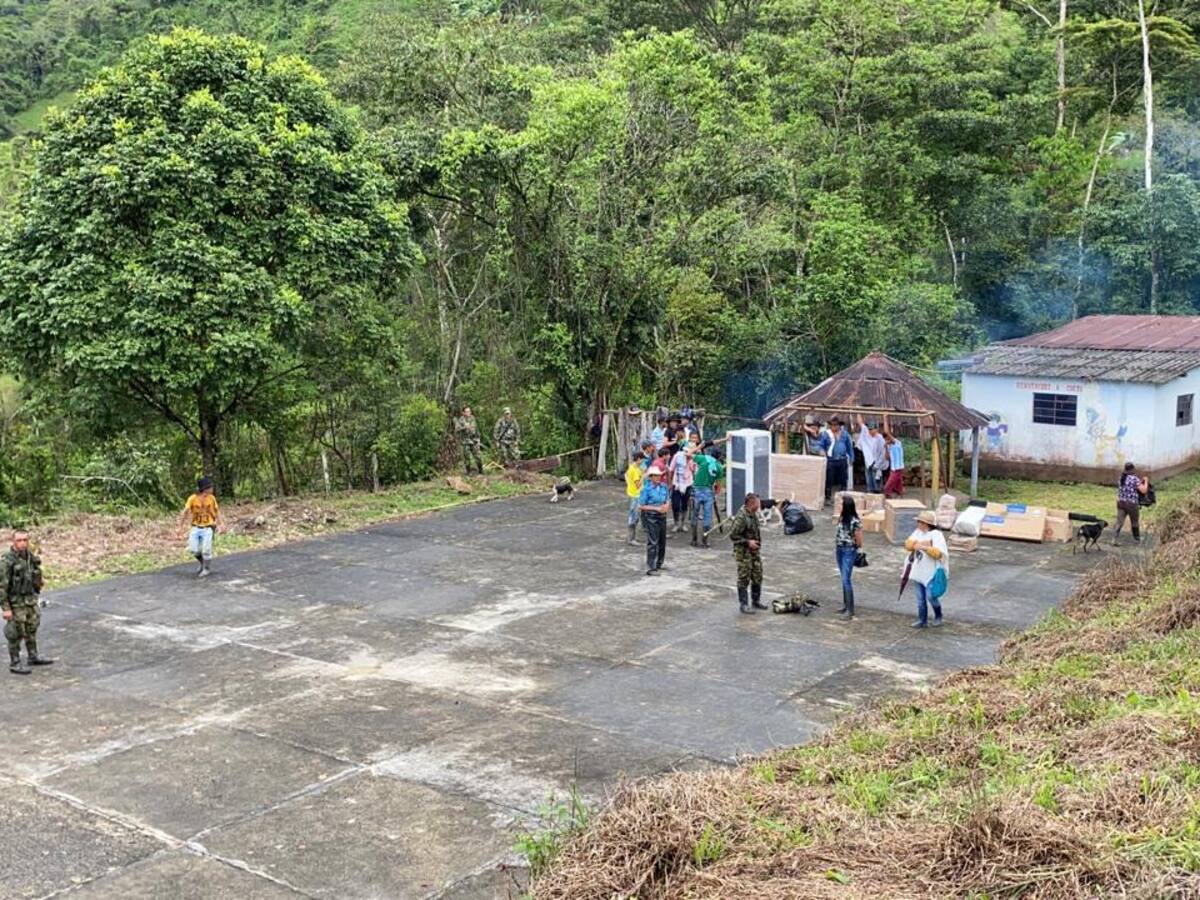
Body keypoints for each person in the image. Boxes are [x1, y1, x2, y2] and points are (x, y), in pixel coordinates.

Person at [2, 530, 50, 675]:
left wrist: (39, 581)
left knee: (31, 628)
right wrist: (6, 608)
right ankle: (15, 662)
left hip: (29, 600)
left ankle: (33, 656)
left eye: (25, 540)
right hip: (16, 602)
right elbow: (2, 587)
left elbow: (36, 572)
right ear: (13, 542)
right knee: (15, 632)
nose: (22, 543)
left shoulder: (30, 557)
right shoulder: (7, 561)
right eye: (19, 540)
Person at [905, 510, 948, 628]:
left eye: (920, 522)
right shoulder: (917, 532)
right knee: (920, 598)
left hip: (932, 571)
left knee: (931, 596)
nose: (918, 524)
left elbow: (939, 554)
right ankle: (922, 620)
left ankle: (938, 615)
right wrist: (917, 544)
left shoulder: (937, 535)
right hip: (919, 569)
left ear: (926, 523)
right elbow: (908, 544)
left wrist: (924, 547)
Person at [730, 492, 768, 614]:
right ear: (752, 504)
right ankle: (744, 604)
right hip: (743, 553)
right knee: (744, 577)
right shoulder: (741, 517)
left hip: (754, 551)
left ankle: (755, 601)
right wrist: (747, 542)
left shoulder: (752, 514)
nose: (759, 504)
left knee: (757, 574)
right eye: (758, 502)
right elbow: (733, 535)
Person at [178, 476, 223, 578]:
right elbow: (185, 512)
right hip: (196, 527)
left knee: (206, 549)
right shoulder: (192, 499)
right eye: (210, 487)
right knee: (194, 549)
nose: (212, 489)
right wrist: (180, 526)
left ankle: (206, 568)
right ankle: (202, 562)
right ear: (205, 489)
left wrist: (221, 524)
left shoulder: (212, 499)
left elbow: (217, 511)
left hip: (208, 527)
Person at [690, 440, 723, 548]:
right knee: (707, 516)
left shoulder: (703, 459)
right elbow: (718, 485)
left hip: (697, 489)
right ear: (719, 457)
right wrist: (716, 494)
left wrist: (698, 447)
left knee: (694, 515)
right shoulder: (719, 467)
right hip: (708, 491)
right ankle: (705, 540)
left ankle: (694, 539)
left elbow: (689, 454)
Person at [639, 467, 671, 576]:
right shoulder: (646, 489)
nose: (658, 477)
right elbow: (642, 506)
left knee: (662, 541)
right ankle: (651, 567)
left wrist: (666, 505)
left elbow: (667, 499)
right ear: (651, 477)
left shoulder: (663, 487)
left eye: (659, 475)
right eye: (656, 475)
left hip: (662, 515)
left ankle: (659, 563)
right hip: (651, 516)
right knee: (653, 541)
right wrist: (656, 508)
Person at [835, 497, 863, 619]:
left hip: (848, 550)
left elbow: (859, 538)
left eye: (842, 504)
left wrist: (857, 547)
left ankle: (850, 610)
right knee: (843, 578)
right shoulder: (842, 518)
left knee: (846, 579)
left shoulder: (855, 520)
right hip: (839, 548)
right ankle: (846, 606)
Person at [1113, 461, 1150, 545]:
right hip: (1132, 504)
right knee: (1134, 522)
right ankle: (1137, 539)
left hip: (1121, 502)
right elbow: (1143, 490)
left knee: (1119, 521)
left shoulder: (1121, 478)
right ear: (1132, 469)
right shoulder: (1134, 479)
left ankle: (1114, 539)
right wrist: (1146, 481)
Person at [820, 416, 855, 500]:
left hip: (842, 459)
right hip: (831, 460)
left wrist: (851, 458)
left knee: (843, 478)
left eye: (836, 425)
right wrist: (822, 452)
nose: (834, 427)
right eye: (833, 425)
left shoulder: (845, 434)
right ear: (830, 426)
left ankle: (844, 497)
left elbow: (849, 447)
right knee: (829, 479)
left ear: (839, 425)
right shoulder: (826, 434)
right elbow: (821, 446)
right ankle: (827, 497)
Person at [668, 439, 695, 533]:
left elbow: (694, 470)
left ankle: (683, 524)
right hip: (677, 482)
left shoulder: (693, 458)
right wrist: (670, 483)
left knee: (684, 504)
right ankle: (676, 523)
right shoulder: (677, 456)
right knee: (675, 504)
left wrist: (691, 460)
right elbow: (671, 469)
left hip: (688, 483)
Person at [856, 417, 886, 494]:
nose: (871, 431)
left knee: (877, 480)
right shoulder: (866, 434)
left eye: (872, 429)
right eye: (870, 429)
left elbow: (883, 452)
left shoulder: (880, 438)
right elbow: (861, 423)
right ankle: (870, 491)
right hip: (868, 461)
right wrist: (857, 410)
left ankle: (878, 492)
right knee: (869, 479)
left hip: (877, 461)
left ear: (876, 429)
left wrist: (878, 464)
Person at [453, 405, 484, 476]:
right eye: (467, 411)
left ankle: (481, 470)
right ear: (463, 413)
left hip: (474, 441)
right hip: (465, 442)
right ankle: (468, 472)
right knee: (467, 457)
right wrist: (464, 427)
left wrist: (479, 439)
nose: (468, 413)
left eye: (469, 411)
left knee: (478, 456)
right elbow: (456, 429)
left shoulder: (473, 418)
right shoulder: (460, 420)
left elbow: (476, 429)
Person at [625, 451, 646, 545]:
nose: (642, 461)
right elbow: (638, 485)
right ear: (638, 459)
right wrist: (644, 477)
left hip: (631, 493)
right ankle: (631, 539)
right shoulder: (636, 470)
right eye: (642, 459)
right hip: (636, 495)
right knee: (634, 517)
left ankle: (632, 538)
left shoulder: (631, 467)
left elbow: (626, 476)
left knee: (633, 516)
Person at [883, 429, 906, 498]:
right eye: (885, 440)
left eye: (887, 439)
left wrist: (885, 418)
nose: (886, 441)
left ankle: (890, 496)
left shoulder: (897, 443)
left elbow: (887, 432)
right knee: (898, 486)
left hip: (898, 468)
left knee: (887, 487)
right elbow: (887, 458)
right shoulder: (889, 446)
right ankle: (900, 494)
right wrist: (886, 448)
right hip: (893, 468)